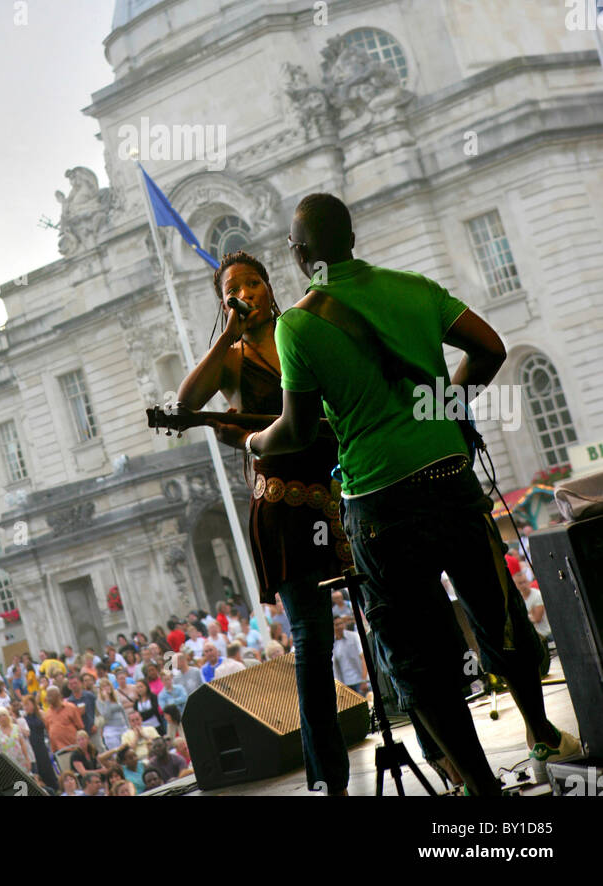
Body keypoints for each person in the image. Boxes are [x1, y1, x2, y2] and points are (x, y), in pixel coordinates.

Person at [236, 191, 580, 795]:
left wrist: (256, 443)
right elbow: (490, 348)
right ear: (351, 237)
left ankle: (481, 790)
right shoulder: (414, 288)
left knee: (421, 661)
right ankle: (544, 737)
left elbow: (294, 429)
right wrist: (444, 403)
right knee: (496, 619)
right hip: (451, 479)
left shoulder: (296, 324)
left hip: (379, 505)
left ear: (300, 253)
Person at [179, 248, 350, 798]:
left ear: (271, 287)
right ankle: (329, 784)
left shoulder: (298, 332)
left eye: (254, 283)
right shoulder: (231, 356)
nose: (247, 292)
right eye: (236, 287)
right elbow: (185, 404)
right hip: (285, 509)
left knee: (389, 617)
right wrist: (228, 333)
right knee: (313, 643)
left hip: (343, 492)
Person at [21, 696, 58, 792]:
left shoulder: (40, 714)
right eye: (24, 705)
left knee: (46, 766)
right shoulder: (23, 719)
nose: (26, 707)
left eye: (28, 704)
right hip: (32, 745)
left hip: (41, 744)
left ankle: (55, 787)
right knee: (38, 768)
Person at [332, 617, 369, 696]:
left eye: (341, 623)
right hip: (346, 686)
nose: (340, 626)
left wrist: (364, 680)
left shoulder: (354, 636)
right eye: (337, 625)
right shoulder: (332, 643)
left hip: (360, 681)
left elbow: (363, 658)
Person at [43, 686, 83, 754]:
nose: (48, 699)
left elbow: (80, 727)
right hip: (59, 751)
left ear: (58, 696)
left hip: (74, 748)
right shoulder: (48, 713)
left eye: (50, 696)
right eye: (47, 696)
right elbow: (49, 730)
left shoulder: (70, 707)